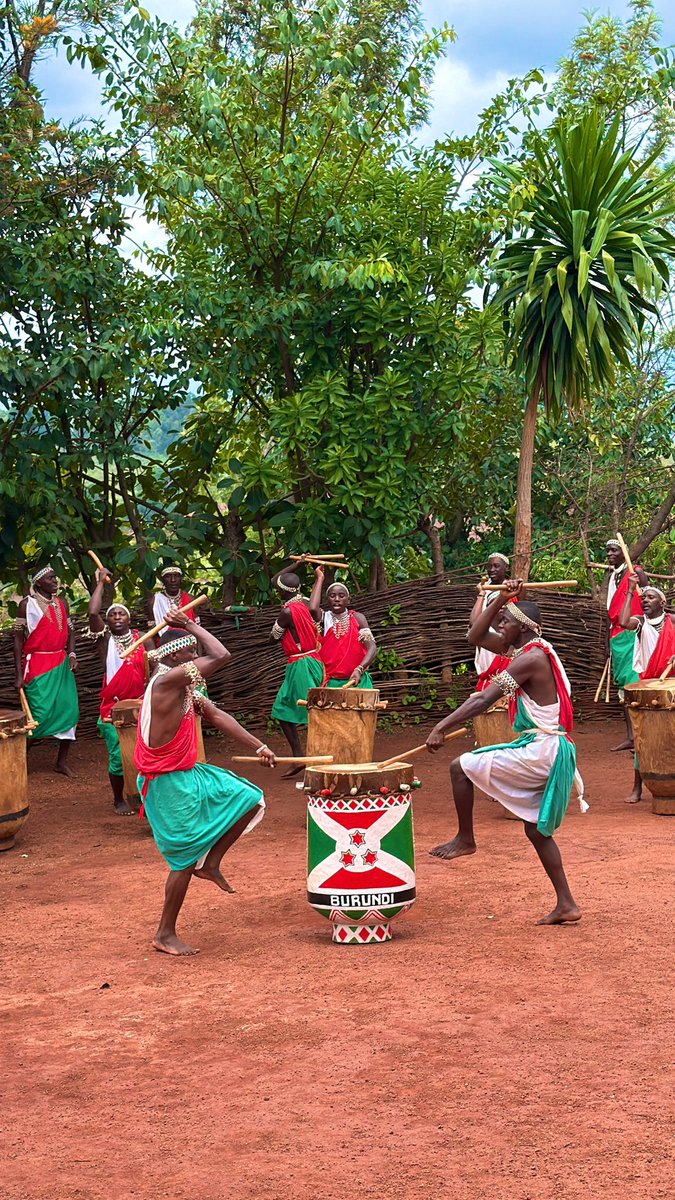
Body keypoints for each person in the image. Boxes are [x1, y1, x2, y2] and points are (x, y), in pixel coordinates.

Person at [426, 582, 584, 925]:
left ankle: (466, 839)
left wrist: (441, 726)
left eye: (505, 622)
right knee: (536, 831)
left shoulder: (531, 658)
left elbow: (484, 699)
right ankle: (567, 904)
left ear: (522, 628)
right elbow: (474, 636)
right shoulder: (527, 650)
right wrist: (501, 598)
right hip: (547, 749)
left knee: (460, 767)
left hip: (543, 751)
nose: (499, 626)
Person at [134, 610, 276, 957]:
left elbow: (215, 714)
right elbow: (221, 655)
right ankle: (165, 934)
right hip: (166, 781)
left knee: (249, 798)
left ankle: (211, 864)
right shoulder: (166, 683)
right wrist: (189, 623)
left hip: (186, 772)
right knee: (183, 859)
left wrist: (259, 746)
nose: (196, 657)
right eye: (190, 652)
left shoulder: (183, 687)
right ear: (173, 656)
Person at [88, 566, 149, 815]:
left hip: (141, 704)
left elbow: (156, 664)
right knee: (118, 755)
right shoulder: (105, 641)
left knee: (145, 752)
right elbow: (93, 612)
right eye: (112, 614)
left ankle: (144, 797)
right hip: (112, 707)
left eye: (121, 613)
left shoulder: (143, 637)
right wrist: (100, 582)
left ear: (129, 619)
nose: (116, 617)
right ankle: (118, 799)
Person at [13, 565, 79, 776]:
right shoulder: (26, 605)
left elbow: (70, 631)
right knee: (38, 715)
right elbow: (18, 641)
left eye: (55, 577)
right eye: (51, 578)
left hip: (61, 662)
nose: (55, 581)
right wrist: (18, 674)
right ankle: (19, 763)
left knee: (69, 710)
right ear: (39, 582)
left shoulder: (62, 603)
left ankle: (61, 762)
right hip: (38, 665)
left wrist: (72, 654)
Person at [618, 575, 675, 803]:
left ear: (662, 602)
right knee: (643, 737)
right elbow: (623, 622)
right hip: (648, 685)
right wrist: (630, 590)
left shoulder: (672, 621)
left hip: (671, 684)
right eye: (644, 598)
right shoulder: (641, 623)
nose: (646, 600)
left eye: (651, 597)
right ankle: (637, 787)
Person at [269, 568, 324, 777]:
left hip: (301, 664)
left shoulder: (287, 612)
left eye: (279, 590)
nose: (277, 592)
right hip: (313, 661)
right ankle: (300, 756)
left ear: (284, 592)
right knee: (283, 708)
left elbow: (273, 638)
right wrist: (299, 564)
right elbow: (276, 579)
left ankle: (318, 758)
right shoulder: (307, 603)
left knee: (313, 710)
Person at [605, 539, 648, 751]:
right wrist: (607, 642)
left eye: (614, 550)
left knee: (634, 683)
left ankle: (643, 736)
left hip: (633, 632)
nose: (610, 554)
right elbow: (610, 612)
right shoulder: (613, 576)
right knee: (623, 686)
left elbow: (648, 598)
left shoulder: (635, 571)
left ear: (624, 552)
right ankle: (631, 737)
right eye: (608, 551)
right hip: (617, 636)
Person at [311, 573, 378, 688]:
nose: (337, 599)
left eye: (341, 596)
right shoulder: (324, 618)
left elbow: (372, 648)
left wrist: (359, 669)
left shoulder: (358, 618)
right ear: (327, 600)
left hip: (358, 681)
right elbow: (312, 608)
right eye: (332, 596)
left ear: (348, 600)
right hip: (331, 683)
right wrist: (320, 578)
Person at [468, 552, 512, 689]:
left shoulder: (513, 589)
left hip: (506, 644)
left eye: (496, 566)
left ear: (506, 568)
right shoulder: (485, 590)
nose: (492, 570)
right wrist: (481, 594)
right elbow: (474, 623)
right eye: (490, 566)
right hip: (488, 645)